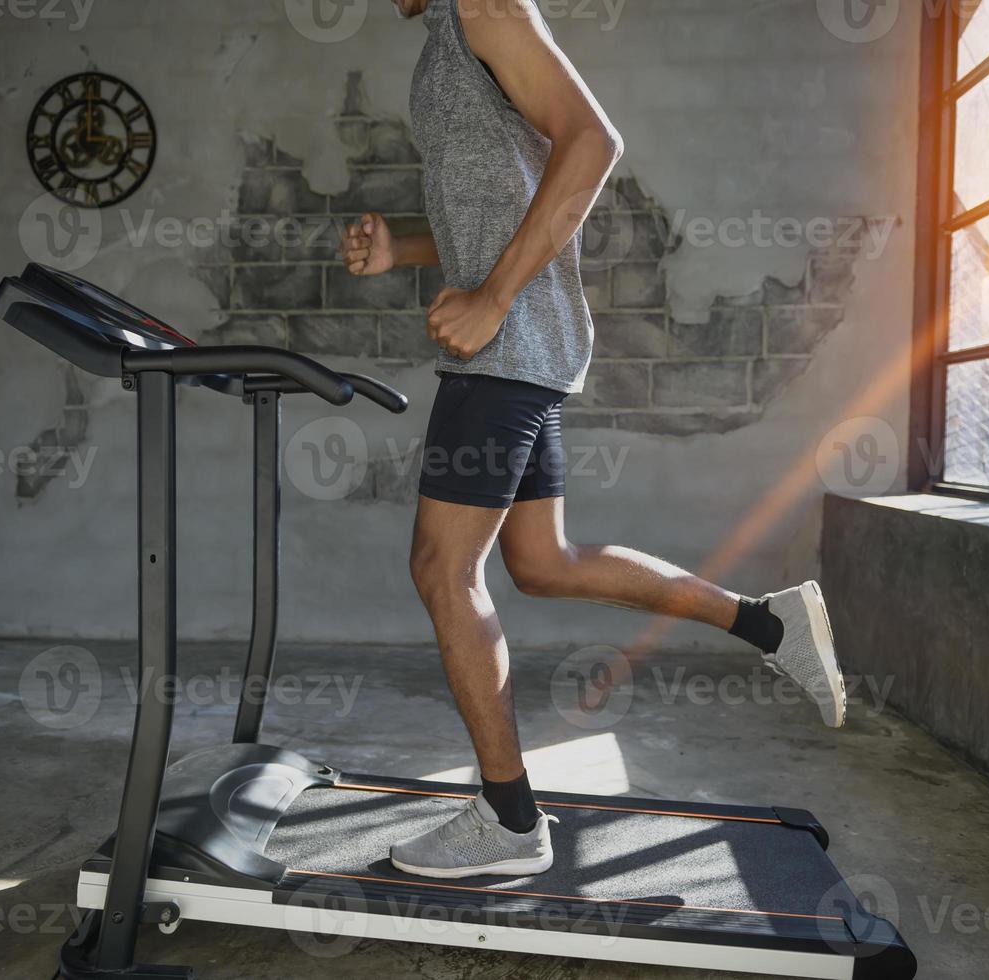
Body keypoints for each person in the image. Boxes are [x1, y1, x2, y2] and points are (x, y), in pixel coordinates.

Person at [339, 0, 847, 880]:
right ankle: (771, 624)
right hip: (524, 347)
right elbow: (502, 199)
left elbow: (593, 143)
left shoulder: (485, 9)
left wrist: (493, 299)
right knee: (544, 562)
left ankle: (506, 819)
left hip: (510, 348)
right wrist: (405, 247)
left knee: (441, 568)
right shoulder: (443, 44)